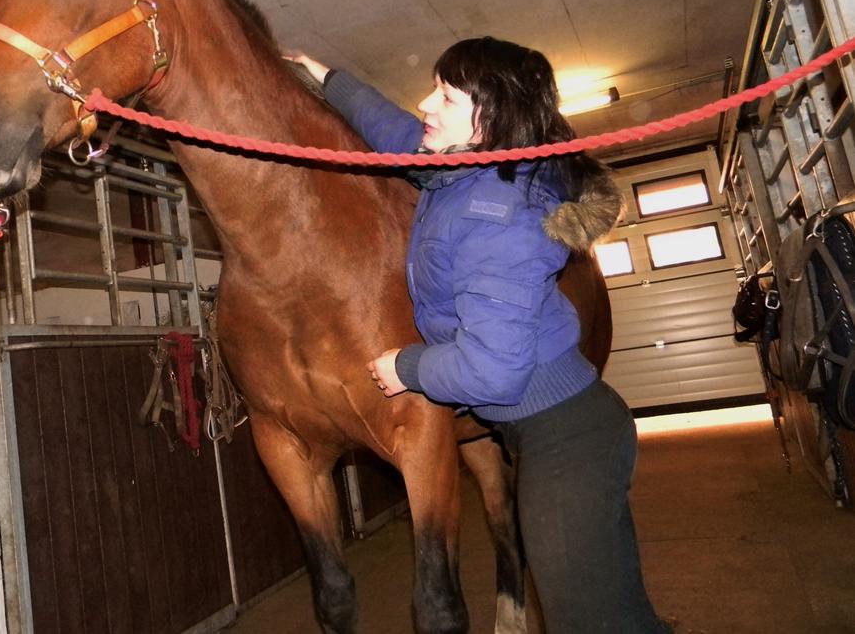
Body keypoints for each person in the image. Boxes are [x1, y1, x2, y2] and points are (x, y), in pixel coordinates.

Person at [286, 37, 669, 633]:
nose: (425, 104)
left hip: (566, 436)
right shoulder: (462, 173)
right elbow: (394, 131)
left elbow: (493, 371)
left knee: (595, 623)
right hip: (547, 425)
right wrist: (329, 77)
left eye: (445, 95)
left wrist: (406, 367)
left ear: (491, 118)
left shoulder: (499, 215)